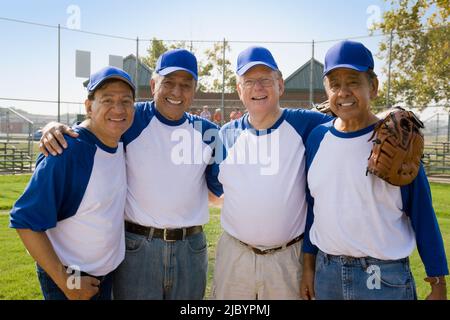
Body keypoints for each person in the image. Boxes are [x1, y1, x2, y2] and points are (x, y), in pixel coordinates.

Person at [38, 49, 223, 300]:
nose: (176, 92)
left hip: (190, 247)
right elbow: (94, 125)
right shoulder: (131, 117)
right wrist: (53, 127)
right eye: (168, 83)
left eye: (185, 85)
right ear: (154, 84)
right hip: (138, 245)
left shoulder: (210, 133)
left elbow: (218, 192)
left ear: (195, 89)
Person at [300, 40, 448, 300]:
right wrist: (309, 268)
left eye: (354, 81)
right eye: (335, 84)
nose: (343, 92)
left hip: (383, 278)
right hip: (327, 273)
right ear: (327, 90)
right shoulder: (317, 138)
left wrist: (438, 281)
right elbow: (315, 209)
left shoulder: (397, 139)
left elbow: (422, 212)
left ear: (374, 87)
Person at [210, 46, 332, 299]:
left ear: (280, 85)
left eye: (266, 80)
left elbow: (352, 120)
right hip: (236, 257)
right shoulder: (224, 135)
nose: (258, 88)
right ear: (239, 90)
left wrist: (391, 114)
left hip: (287, 258)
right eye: (249, 81)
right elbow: (213, 188)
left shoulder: (305, 123)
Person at [9, 66, 136, 300]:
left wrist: (50, 125)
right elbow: (24, 220)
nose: (118, 109)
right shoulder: (67, 150)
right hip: (70, 278)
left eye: (126, 101)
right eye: (107, 100)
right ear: (89, 106)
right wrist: (67, 281)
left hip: (106, 277)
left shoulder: (121, 140)